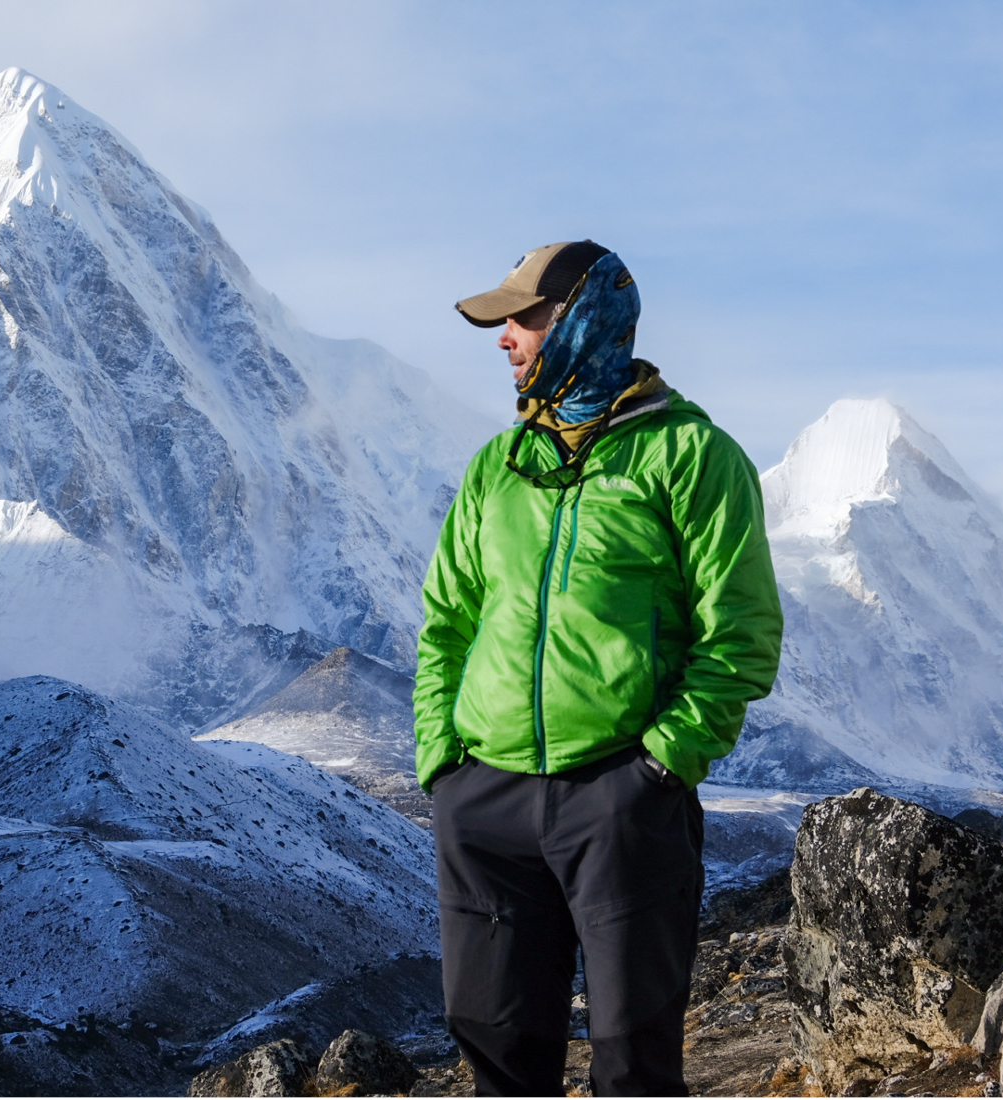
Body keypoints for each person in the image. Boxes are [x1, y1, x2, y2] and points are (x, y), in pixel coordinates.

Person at [413, 240, 783, 1096]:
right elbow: (446, 622)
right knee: (495, 1046)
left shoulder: (691, 457)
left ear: (580, 320)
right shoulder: (497, 470)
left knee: (632, 1058)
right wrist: (445, 765)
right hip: (487, 805)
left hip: (622, 804)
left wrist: (660, 767)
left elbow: (741, 634)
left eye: (524, 318)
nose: (505, 337)